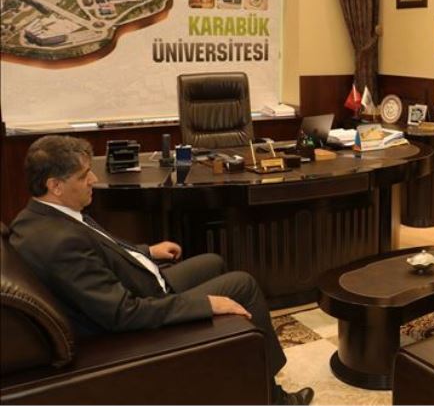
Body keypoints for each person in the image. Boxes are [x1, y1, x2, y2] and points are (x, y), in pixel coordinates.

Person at [9, 135, 313, 405]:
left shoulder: (37, 216)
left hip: (136, 283)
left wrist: (147, 252)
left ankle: (232, 365)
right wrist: (206, 304)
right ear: (55, 185)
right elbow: (123, 313)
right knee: (242, 285)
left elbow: (103, 248)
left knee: (213, 261)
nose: (93, 179)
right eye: (83, 175)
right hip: (138, 311)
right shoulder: (61, 244)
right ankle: (272, 395)